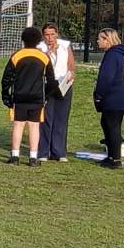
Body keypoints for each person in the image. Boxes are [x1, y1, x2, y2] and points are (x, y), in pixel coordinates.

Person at [1, 27, 57, 166]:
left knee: (18, 125)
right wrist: (46, 96)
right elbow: (51, 80)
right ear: (39, 40)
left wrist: (6, 95)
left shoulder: (17, 55)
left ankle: (15, 157)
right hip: (37, 97)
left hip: (19, 96)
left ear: (23, 39)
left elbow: (6, 78)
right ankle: (33, 158)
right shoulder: (44, 56)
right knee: (34, 126)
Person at [92, 26, 124, 168]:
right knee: (107, 122)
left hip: (118, 96)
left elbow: (105, 78)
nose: (97, 41)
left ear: (107, 40)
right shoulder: (120, 53)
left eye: (99, 39)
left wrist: (98, 95)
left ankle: (116, 160)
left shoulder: (112, 55)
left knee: (112, 125)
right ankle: (111, 156)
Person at [36, 21, 75, 161]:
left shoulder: (65, 45)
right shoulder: (40, 47)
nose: (50, 38)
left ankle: (59, 152)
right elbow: (40, 64)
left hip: (64, 84)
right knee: (46, 118)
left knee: (61, 118)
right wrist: (49, 52)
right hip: (47, 85)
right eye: (47, 35)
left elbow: (71, 64)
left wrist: (71, 75)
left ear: (57, 34)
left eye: (52, 34)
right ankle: (43, 152)